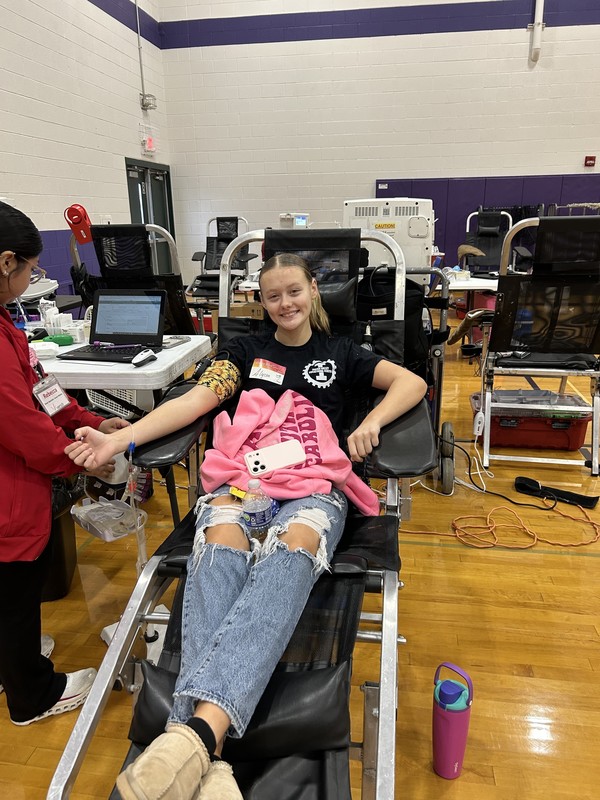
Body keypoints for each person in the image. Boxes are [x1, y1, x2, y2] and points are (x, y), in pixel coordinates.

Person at [66, 252, 427, 800]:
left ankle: (192, 739)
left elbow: (411, 383)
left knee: (293, 549)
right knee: (221, 548)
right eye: (273, 295)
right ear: (260, 300)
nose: (284, 304)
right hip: (242, 483)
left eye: (294, 292)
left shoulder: (341, 352)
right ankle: (208, 758)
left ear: (313, 291)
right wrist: (120, 439)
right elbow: (195, 401)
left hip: (311, 486)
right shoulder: (242, 354)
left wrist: (370, 423)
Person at [0, 200, 129, 726]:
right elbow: (20, 424)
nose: (35, 277)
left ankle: (12, 662)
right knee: (13, 592)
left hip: (19, 476)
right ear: (8, 261)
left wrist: (90, 421)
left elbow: (41, 389)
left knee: (10, 598)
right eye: (32, 268)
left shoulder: (7, 325)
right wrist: (84, 460)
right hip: (9, 494)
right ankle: (31, 694)